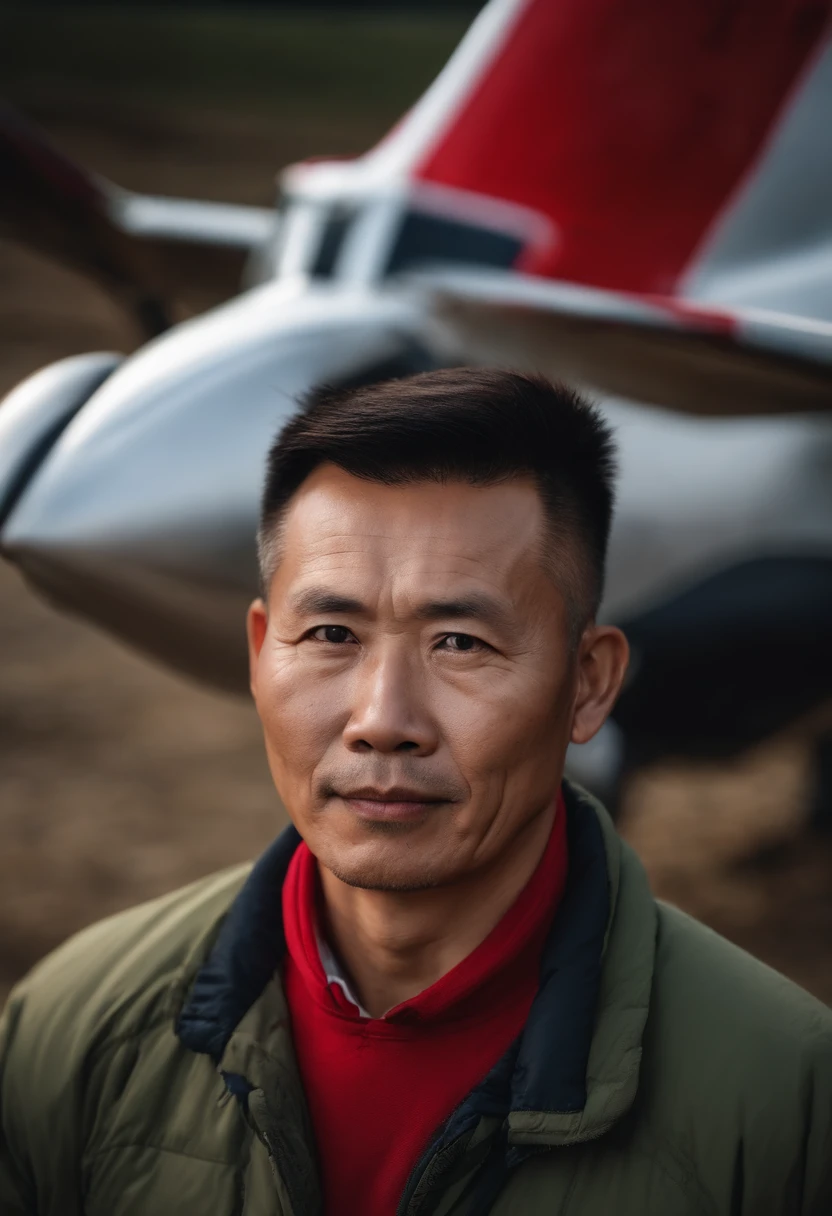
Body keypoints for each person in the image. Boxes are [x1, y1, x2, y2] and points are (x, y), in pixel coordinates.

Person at [1, 368, 830, 1216]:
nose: (382, 720)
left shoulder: (785, 1099)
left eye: (460, 643)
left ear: (587, 684)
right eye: (330, 634)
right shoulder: (72, 1032)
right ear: (258, 655)